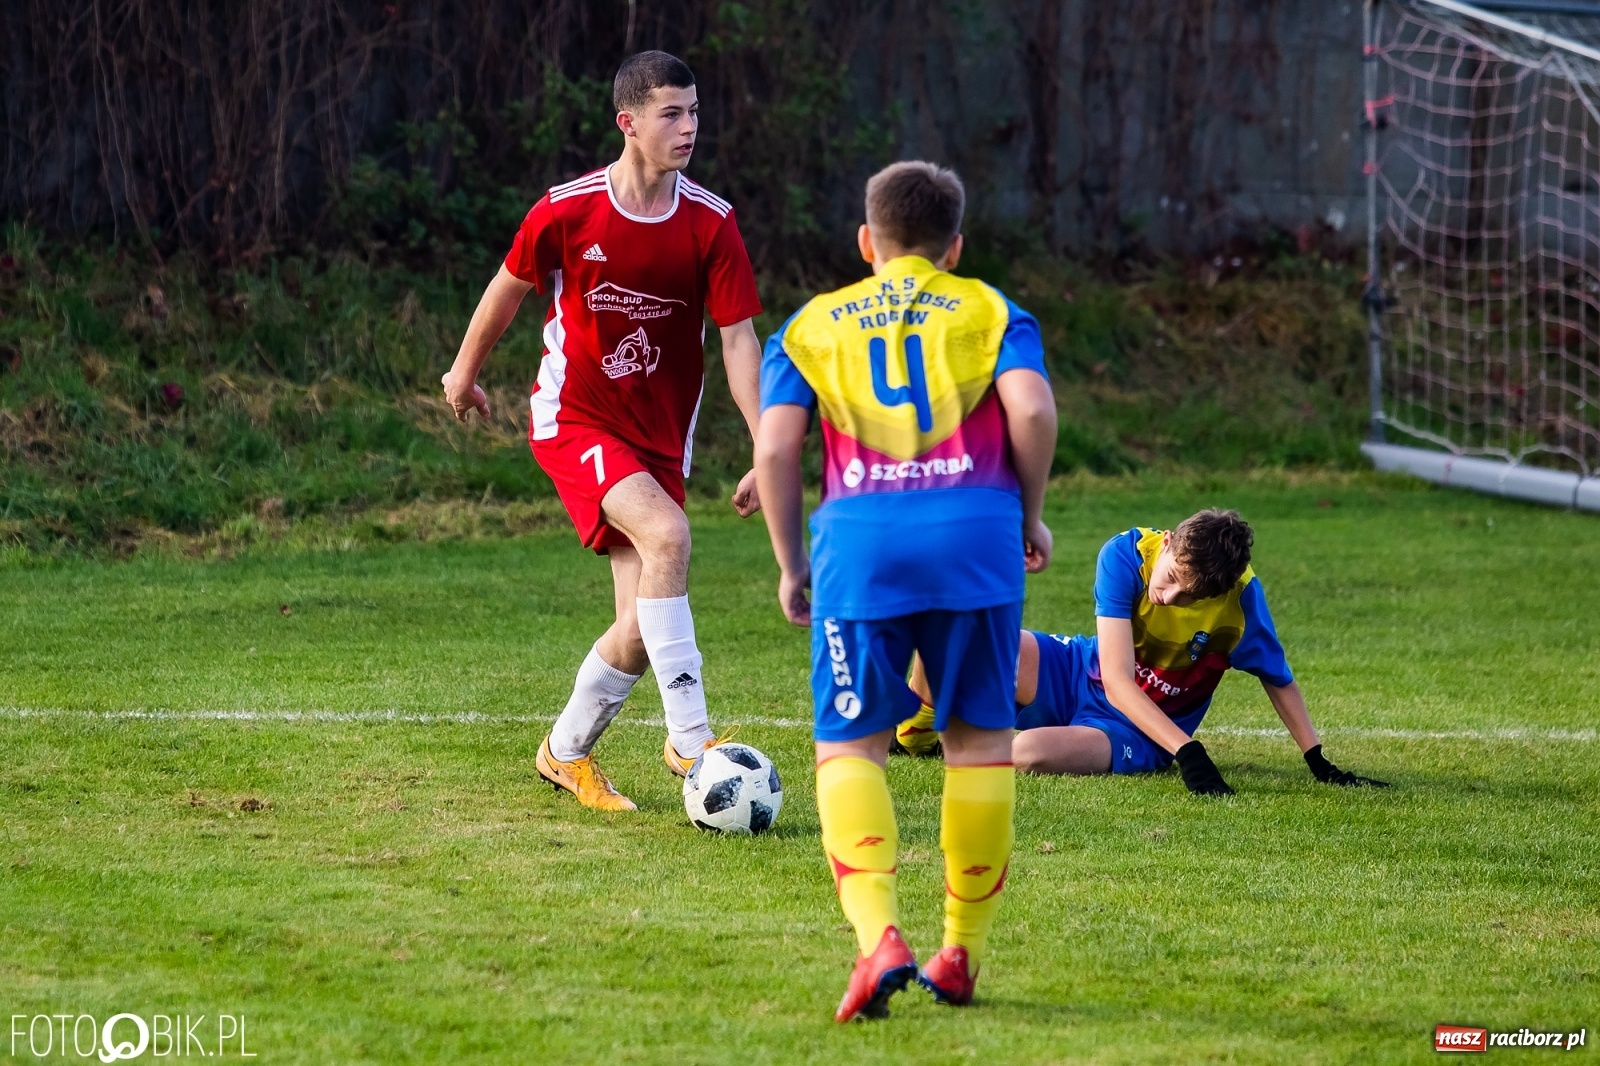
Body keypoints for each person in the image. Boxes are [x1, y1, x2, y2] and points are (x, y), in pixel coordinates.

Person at [755, 161, 1057, 1021]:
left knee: (851, 748)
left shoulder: (813, 323)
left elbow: (776, 450)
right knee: (976, 745)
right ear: (954, 247)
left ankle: (880, 938)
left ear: (866, 242)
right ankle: (960, 949)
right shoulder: (991, 308)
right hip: (976, 538)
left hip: (862, 548)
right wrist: (1028, 517)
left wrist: (790, 563)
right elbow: (1031, 414)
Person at [440, 51, 764, 812]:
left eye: (694, 112)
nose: (689, 127)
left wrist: (760, 442)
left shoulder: (710, 222)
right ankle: (692, 740)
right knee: (671, 537)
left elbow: (740, 340)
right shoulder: (568, 209)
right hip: (575, 417)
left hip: (658, 440)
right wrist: (463, 371)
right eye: (671, 114)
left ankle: (564, 752)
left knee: (639, 626)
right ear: (629, 122)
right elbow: (507, 287)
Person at [897, 509, 1390, 794]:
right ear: (1170, 542)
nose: (1168, 596)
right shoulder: (1126, 555)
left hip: (1134, 727)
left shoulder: (1239, 603)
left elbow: (1277, 678)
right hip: (1077, 671)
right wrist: (1192, 752)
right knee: (950, 635)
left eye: (1188, 596)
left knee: (1025, 753)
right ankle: (916, 738)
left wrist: (1318, 761)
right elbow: (1115, 679)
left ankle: (978, 731)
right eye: (1172, 578)